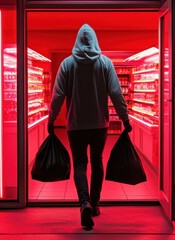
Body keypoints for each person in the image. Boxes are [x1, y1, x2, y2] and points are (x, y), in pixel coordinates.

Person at [48, 23, 132, 228]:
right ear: (95, 40)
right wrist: (125, 118)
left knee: (79, 164)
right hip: (99, 125)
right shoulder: (105, 63)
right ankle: (95, 203)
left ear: (77, 40)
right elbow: (116, 93)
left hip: (75, 125)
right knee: (97, 162)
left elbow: (58, 95)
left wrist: (51, 119)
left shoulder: (67, 64)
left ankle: (83, 202)